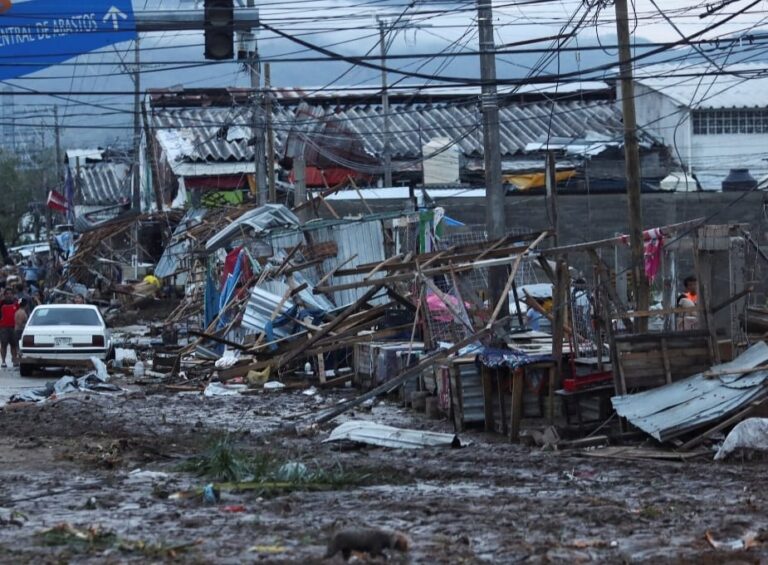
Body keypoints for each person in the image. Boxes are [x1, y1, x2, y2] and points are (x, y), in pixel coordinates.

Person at [0, 289, 18, 368]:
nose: (9, 295)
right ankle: (3, 361)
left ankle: (14, 360)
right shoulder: (1, 303)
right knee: (3, 345)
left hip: (13, 327)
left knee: (13, 345)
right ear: (5, 295)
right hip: (3, 328)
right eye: (7, 294)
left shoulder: (16, 303)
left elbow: (24, 302)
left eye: (10, 293)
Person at [14, 298, 28, 364]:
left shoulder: (17, 311)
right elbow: (20, 323)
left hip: (17, 330)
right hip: (20, 330)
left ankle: (19, 361)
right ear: (26, 305)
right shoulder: (22, 312)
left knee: (18, 346)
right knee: (20, 346)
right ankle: (20, 361)